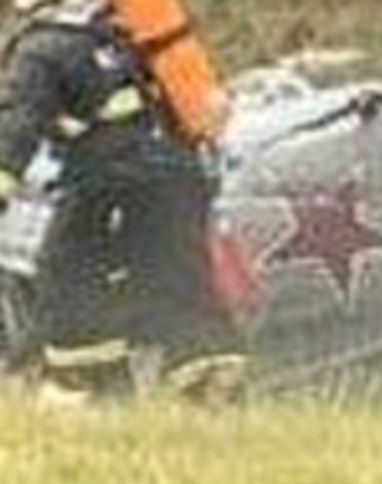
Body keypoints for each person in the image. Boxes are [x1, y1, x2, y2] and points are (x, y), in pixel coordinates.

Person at [0, 0, 245, 400]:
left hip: (109, 180)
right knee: (178, 279)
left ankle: (88, 388)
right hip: (180, 173)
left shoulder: (41, 49)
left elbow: (16, 129)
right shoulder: (124, 27)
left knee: (66, 273)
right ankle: (213, 383)